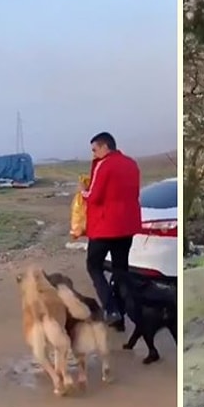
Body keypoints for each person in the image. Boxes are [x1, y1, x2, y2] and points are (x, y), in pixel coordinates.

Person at [82, 131, 142, 330]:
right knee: (120, 271)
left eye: (94, 149)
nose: (93, 154)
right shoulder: (131, 164)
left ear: (104, 146)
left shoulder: (104, 165)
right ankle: (124, 316)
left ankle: (111, 309)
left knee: (94, 266)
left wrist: (83, 192)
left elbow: (95, 196)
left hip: (105, 227)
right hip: (126, 226)